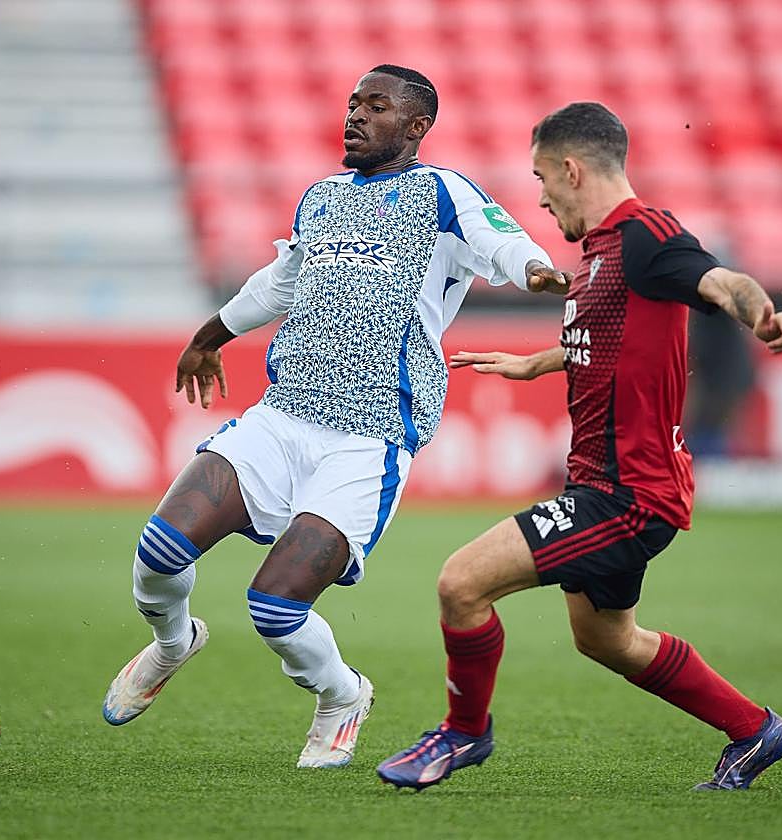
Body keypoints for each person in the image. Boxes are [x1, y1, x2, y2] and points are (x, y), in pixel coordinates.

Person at [101, 65, 568, 768]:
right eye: (353, 104)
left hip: (370, 437)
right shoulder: (322, 197)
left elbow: (500, 236)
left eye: (376, 107)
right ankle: (173, 642)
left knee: (275, 608)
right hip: (283, 414)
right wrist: (208, 337)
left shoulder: (441, 193)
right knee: (158, 554)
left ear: (416, 126)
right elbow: (280, 283)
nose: (355, 116)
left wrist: (535, 268)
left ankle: (342, 693)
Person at [376, 102, 782, 791]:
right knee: (606, 638)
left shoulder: (646, 236)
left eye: (542, 178)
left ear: (572, 169)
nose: (541, 198)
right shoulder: (600, 254)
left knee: (462, 583)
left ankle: (463, 733)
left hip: (627, 495)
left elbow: (721, 280)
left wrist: (763, 315)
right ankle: (756, 730)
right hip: (607, 486)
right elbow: (613, 338)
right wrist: (539, 362)